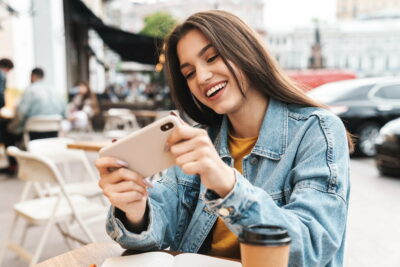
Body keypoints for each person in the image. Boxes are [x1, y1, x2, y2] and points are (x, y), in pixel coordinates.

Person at [96, 10, 352, 267]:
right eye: (189, 73)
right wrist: (134, 209)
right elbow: (156, 231)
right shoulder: (198, 138)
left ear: (245, 50)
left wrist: (228, 185)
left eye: (212, 57)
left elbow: (311, 249)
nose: (203, 77)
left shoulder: (317, 130)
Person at [7, 67, 65, 137]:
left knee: (7, 130)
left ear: (32, 76)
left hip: (34, 134)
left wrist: (13, 128)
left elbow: (21, 112)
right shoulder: (55, 90)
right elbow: (65, 113)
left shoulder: (30, 90)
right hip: (54, 133)